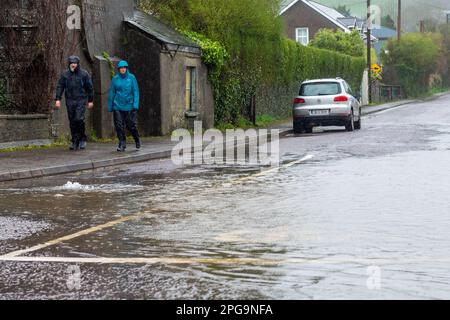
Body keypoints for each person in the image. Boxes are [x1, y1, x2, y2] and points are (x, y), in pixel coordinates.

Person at [55, 56, 94, 150]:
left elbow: (90, 88)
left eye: (75, 63)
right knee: (72, 121)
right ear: (69, 64)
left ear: (78, 64)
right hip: (70, 100)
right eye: (71, 63)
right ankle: (74, 141)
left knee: (79, 119)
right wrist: (58, 99)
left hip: (80, 99)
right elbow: (60, 86)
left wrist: (90, 100)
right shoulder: (65, 74)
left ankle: (82, 139)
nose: (73, 64)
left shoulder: (84, 74)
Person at [108, 60, 141, 152]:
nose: (123, 69)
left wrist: (135, 104)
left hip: (129, 105)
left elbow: (136, 91)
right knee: (119, 125)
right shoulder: (115, 79)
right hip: (117, 105)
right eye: (121, 68)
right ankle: (122, 143)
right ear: (118, 69)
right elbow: (112, 92)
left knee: (131, 125)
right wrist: (110, 106)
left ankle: (137, 138)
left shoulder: (132, 78)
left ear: (127, 68)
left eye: (124, 67)